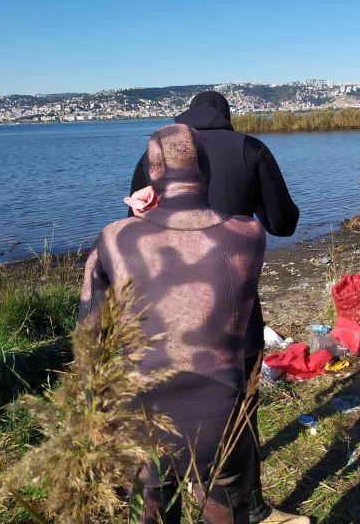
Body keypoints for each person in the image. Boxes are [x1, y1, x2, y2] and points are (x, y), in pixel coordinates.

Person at [129, 92, 305, 524]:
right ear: (226, 118)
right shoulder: (250, 149)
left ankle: (181, 485)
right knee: (238, 406)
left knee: (162, 410)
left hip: (159, 304)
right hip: (230, 303)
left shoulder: (155, 153)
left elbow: (136, 216)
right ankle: (251, 506)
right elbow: (283, 223)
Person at [80, 124, 266, 523]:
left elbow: (90, 341)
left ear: (149, 174)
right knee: (225, 498)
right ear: (205, 170)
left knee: (151, 498)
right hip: (221, 409)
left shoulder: (113, 238)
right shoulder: (250, 233)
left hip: (145, 409)